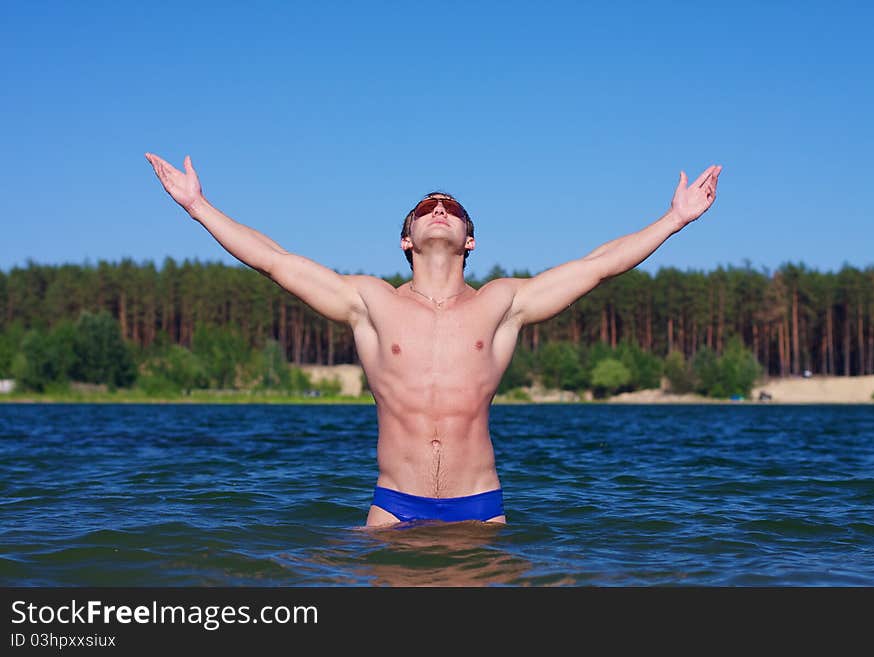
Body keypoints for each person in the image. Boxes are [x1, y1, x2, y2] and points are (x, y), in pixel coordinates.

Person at [145, 152, 722, 527]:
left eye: (452, 209)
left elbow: (596, 266)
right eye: (425, 208)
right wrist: (198, 206)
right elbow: (275, 261)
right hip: (393, 507)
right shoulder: (369, 301)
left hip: (480, 508)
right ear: (406, 240)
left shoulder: (502, 304)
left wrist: (673, 219)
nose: (439, 210)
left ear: (470, 240)